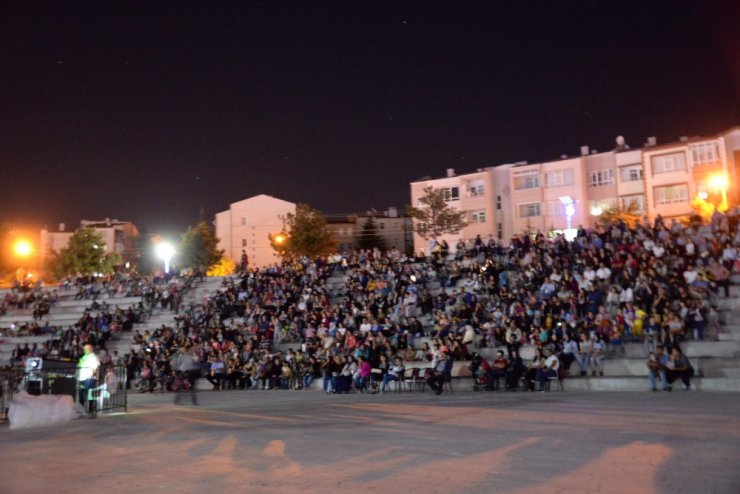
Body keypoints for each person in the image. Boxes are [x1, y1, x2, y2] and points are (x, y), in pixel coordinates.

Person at [77, 343, 100, 411]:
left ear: (90, 349)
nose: (84, 350)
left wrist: (91, 375)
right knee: (81, 393)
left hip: (89, 378)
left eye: (86, 349)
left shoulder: (94, 357)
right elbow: (79, 365)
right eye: (84, 349)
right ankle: (81, 408)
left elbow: (95, 368)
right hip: (82, 378)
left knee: (90, 393)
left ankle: (91, 408)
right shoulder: (84, 357)